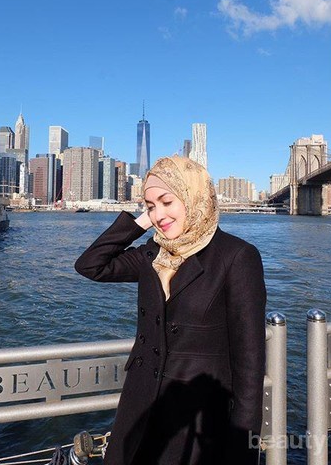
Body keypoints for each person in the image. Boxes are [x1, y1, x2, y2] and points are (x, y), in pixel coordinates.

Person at [74, 155, 266, 464]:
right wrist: (140, 223)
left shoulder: (236, 256)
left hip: (197, 413)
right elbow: (91, 265)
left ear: (193, 197)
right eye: (150, 206)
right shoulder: (154, 252)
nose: (159, 214)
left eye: (167, 202)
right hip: (141, 403)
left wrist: (242, 444)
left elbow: (250, 362)